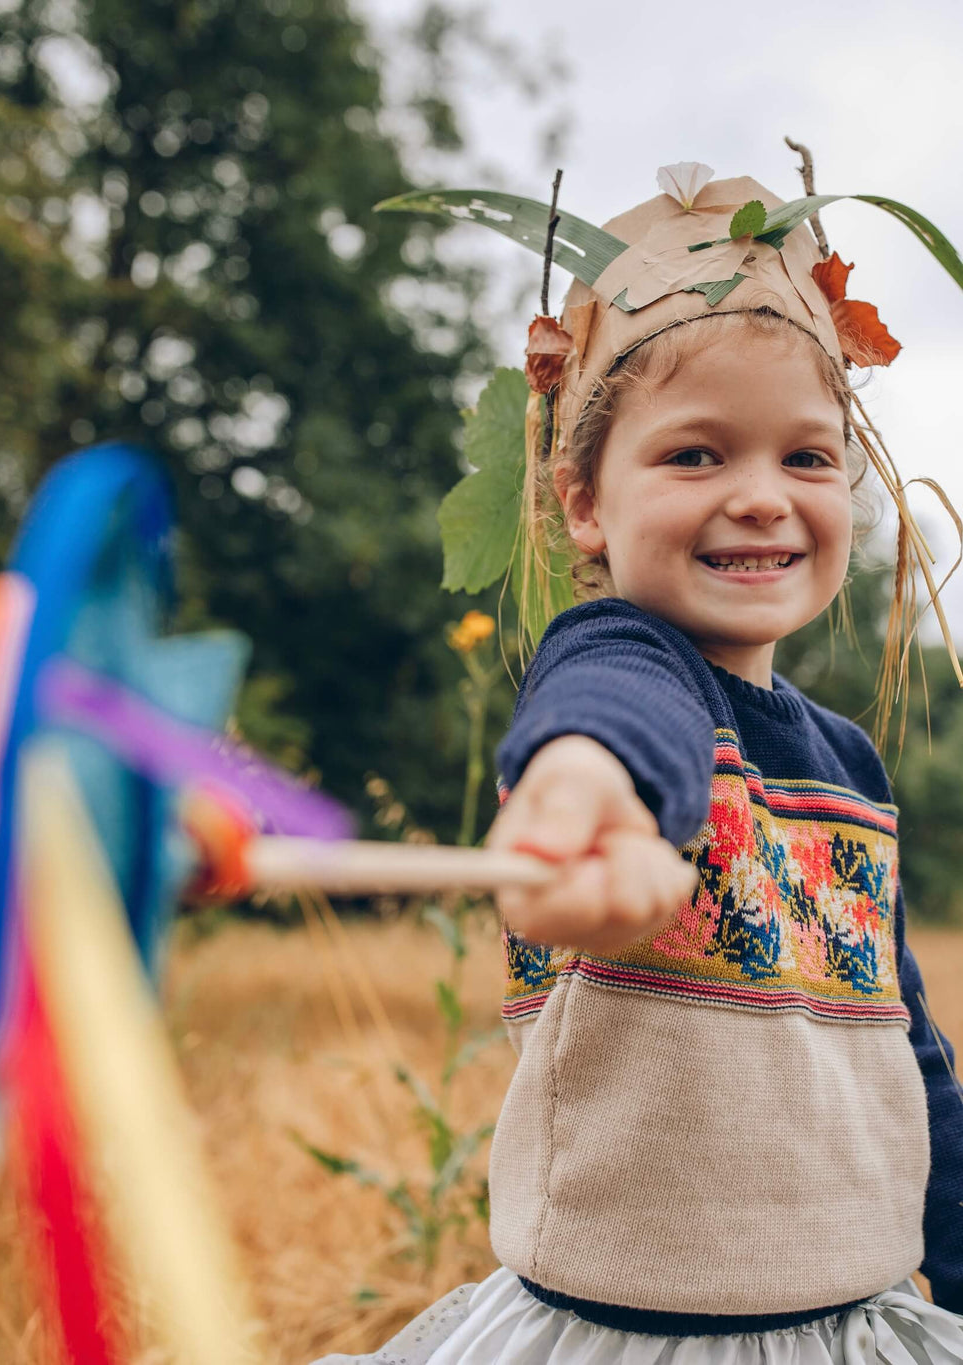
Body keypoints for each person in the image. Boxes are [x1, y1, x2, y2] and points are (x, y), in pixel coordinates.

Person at [316, 165, 963, 1362]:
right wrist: (581, 785)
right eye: (695, 456)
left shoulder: (850, 768)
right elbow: (613, 714)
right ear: (584, 506)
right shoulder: (615, 663)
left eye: (807, 459)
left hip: (847, 1328)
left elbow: (904, 1040)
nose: (761, 498)